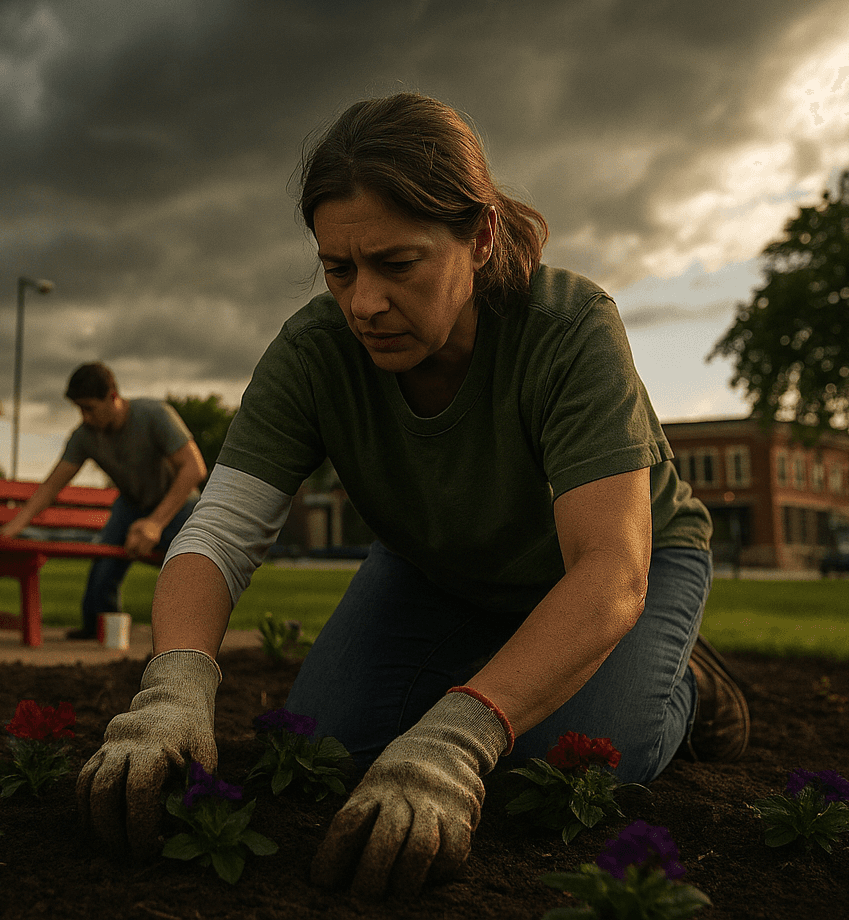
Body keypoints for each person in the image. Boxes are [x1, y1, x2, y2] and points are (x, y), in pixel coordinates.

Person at [75, 93, 749, 897]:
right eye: (338, 268)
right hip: (436, 565)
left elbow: (611, 570)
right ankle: (512, 664)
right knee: (326, 747)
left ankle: (685, 684)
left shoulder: (566, 329)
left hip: (627, 568)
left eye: (398, 265)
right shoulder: (314, 354)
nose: (363, 302)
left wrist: (461, 736)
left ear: (481, 237)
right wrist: (175, 684)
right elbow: (218, 530)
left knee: (564, 762)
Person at [0, 362, 207, 639]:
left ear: (113, 396)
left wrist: (155, 523)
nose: (85, 417)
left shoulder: (154, 415)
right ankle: (98, 630)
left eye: (90, 408)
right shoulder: (85, 437)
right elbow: (50, 488)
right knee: (103, 568)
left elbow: (194, 468)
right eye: (79, 409)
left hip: (177, 505)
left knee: (190, 566)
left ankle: (191, 634)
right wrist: (11, 530)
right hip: (130, 506)